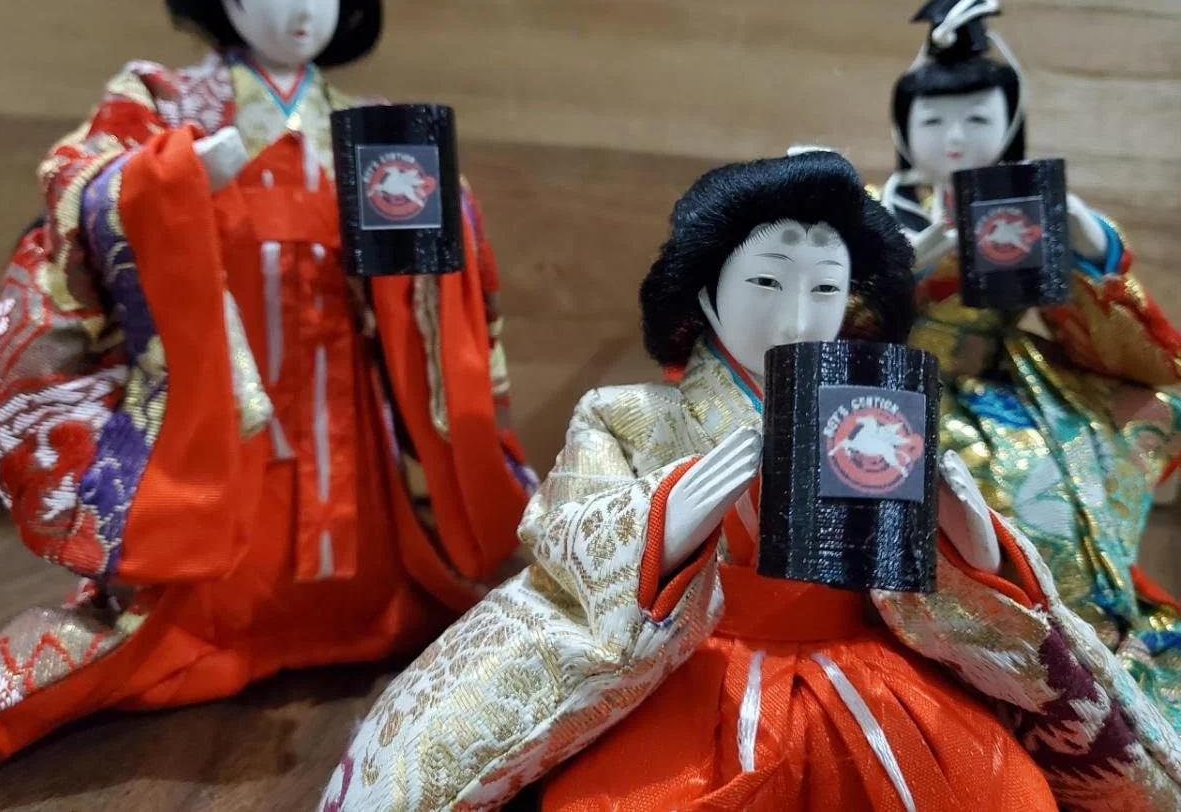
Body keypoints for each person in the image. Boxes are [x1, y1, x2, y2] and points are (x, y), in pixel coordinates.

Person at [321, 152, 1181, 811]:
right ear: (705, 292)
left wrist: (969, 543)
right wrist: (668, 517)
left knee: (1002, 797)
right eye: (766, 281)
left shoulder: (873, 412)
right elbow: (565, 536)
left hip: (865, 666)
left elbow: (939, 595)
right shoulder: (629, 417)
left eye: (827, 287)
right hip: (698, 670)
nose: (798, 314)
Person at [0, 0, 533, 761]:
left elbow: (439, 256)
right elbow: (81, 182)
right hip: (223, 373)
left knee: (368, 539)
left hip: (338, 372)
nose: (305, 3)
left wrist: (439, 217)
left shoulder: (373, 123)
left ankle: (355, 610)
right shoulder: (163, 98)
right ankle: (217, 625)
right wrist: (169, 179)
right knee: (214, 560)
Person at [880, 0, 1181, 728]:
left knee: (1145, 409)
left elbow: (1119, 343)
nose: (954, 136)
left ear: (1011, 124)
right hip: (902, 390)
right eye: (933, 118)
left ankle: (1088, 611)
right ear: (903, 127)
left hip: (1009, 377)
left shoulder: (1024, 206)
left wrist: (1086, 246)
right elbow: (832, 329)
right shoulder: (875, 213)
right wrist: (907, 269)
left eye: (977, 117)